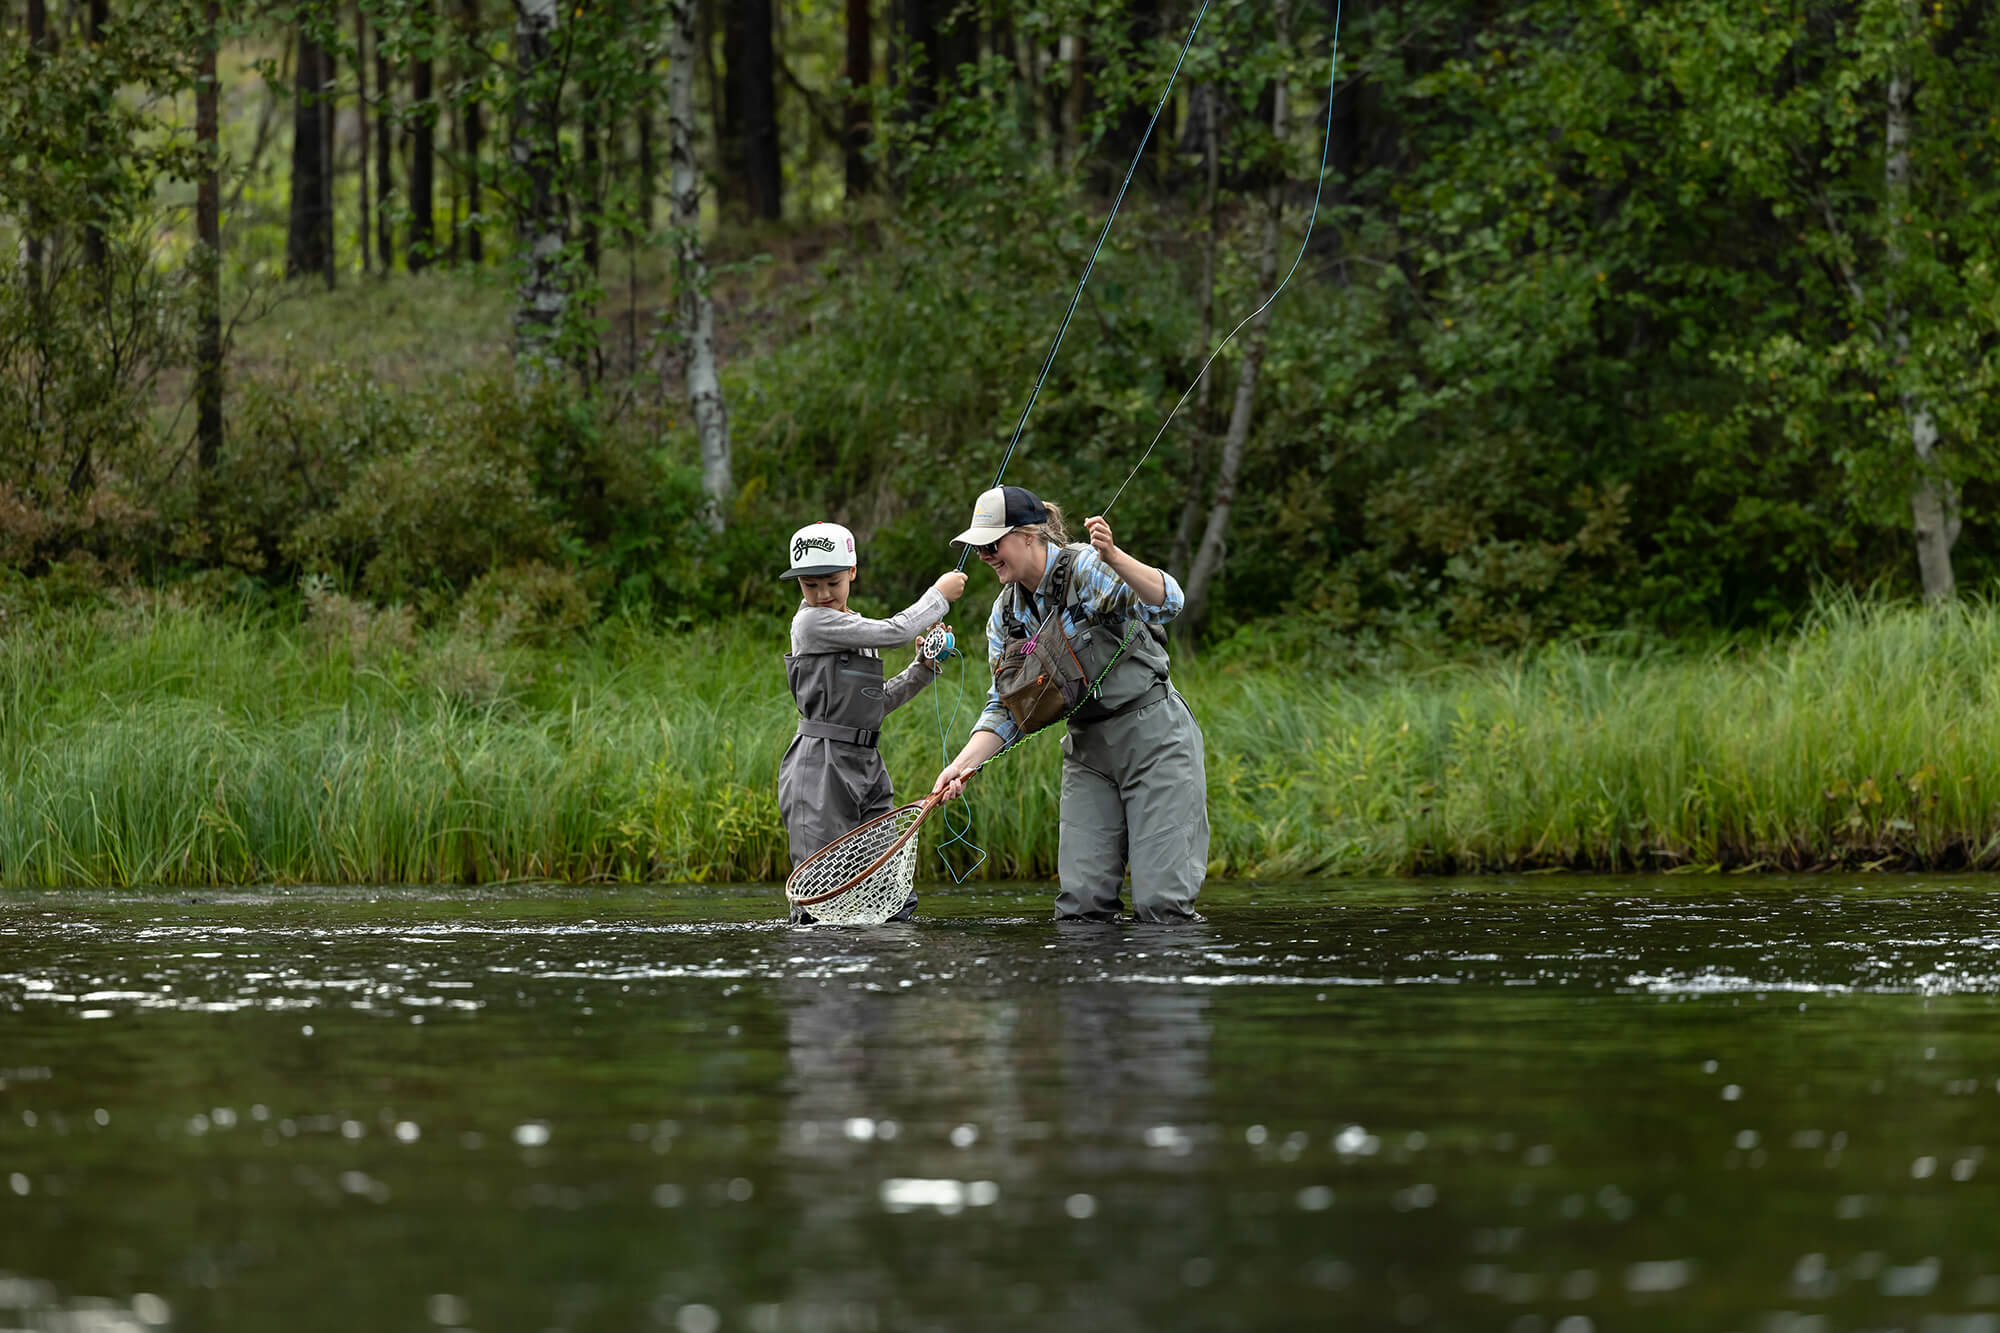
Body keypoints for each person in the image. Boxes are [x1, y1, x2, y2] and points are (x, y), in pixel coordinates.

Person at [930, 485, 1208, 923]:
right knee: (1081, 907)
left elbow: (1168, 600)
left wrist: (1115, 558)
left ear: (1028, 535)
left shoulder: (1085, 567)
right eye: (978, 547)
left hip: (1155, 742)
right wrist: (963, 764)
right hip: (1088, 754)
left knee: (1162, 906)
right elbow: (1006, 708)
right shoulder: (1004, 617)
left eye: (992, 544)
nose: (984, 555)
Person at [779, 520, 966, 922]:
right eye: (809, 586)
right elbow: (895, 631)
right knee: (821, 893)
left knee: (889, 891)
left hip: (866, 765)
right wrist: (939, 596)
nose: (822, 594)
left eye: (831, 582)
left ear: (852, 572)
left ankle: (882, 978)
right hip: (821, 767)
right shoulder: (811, 622)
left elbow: (875, 704)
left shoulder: (849, 625)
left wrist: (923, 667)